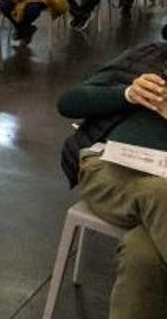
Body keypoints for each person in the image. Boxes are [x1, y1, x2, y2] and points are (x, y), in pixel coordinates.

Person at [56, 26, 167, 319]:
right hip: (110, 167)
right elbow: (69, 102)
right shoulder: (148, 55)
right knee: (161, 192)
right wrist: (129, 93)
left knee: (144, 255)